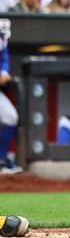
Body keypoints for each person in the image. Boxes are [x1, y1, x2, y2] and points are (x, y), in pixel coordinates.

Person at [0, 19, 21, 174]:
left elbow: (4, 60)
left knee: (11, 117)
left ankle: (1, 159)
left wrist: (4, 72)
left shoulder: (2, 38)